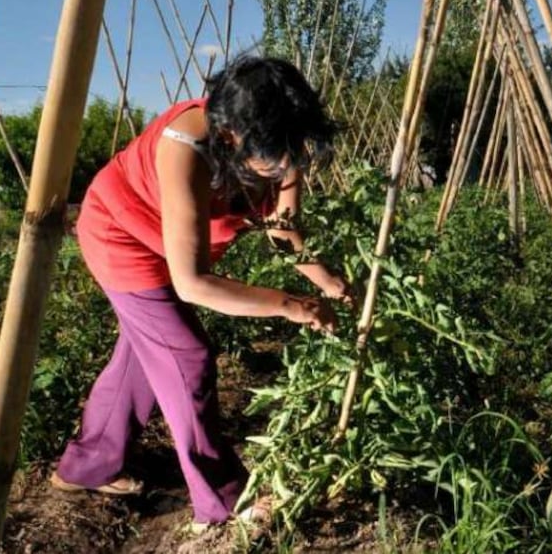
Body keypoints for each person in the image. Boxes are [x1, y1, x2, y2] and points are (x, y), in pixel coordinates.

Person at [50, 56, 350, 530]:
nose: (284, 166)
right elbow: (191, 285)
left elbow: (283, 230)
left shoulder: (280, 143)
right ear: (231, 133)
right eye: (272, 155)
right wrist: (290, 306)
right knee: (187, 356)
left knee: (144, 358)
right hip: (122, 237)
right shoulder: (186, 147)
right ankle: (225, 502)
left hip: (175, 246)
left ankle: (84, 468)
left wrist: (327, 281)